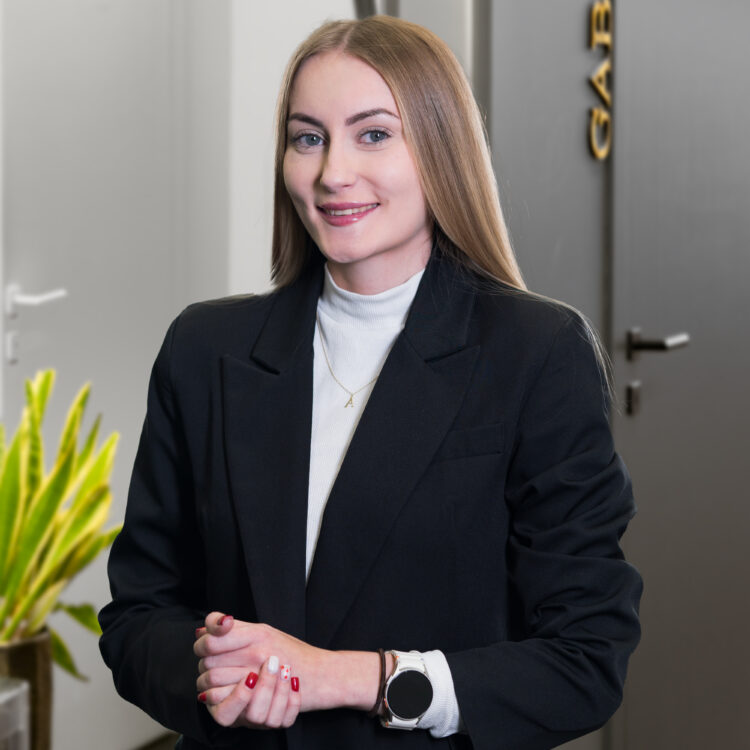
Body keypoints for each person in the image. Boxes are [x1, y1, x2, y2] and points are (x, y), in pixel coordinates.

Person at [99, 15, 642, 750]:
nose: (333, 173)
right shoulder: (203, 349)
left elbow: (584, 663)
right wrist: (215, 667)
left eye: (375, 134)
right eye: (308, 138)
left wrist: (347, 678)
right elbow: (137, 617)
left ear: (441, 150)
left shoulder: (537, 353)